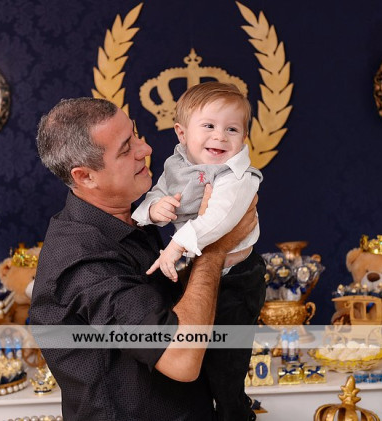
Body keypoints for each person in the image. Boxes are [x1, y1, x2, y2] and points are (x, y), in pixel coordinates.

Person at [30, 96, 259, 421]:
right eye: (126, 149)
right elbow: (181, 358)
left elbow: (169, 310)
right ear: (85, 177)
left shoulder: (132, 221)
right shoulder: (84, 262)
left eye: (135, 134)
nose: (146, 149)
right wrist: (214, 249)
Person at [131, 81, 266, 421]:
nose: (220, 137)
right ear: (182, 132)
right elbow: (156, 192)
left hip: (237, 279)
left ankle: (235, 414)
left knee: (227, 363)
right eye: (209, 126)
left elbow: (218, 220)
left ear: (244, 137)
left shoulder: (238, 177)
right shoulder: (176, 165)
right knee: (197, 353)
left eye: (232, 129)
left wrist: (175, 245)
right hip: (201, 269)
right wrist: (154, 209)